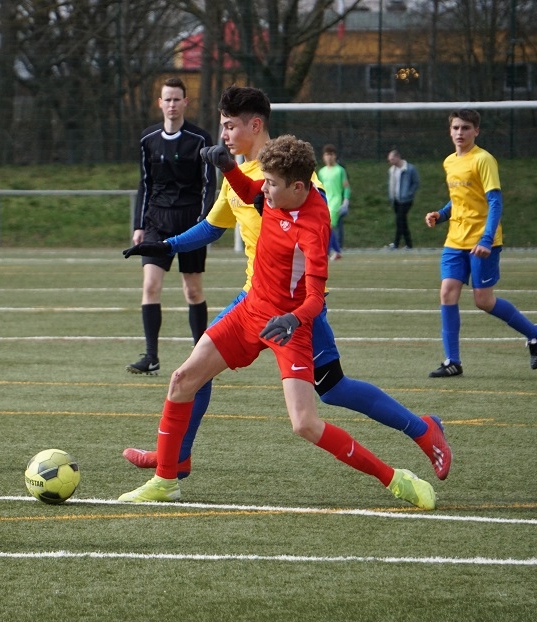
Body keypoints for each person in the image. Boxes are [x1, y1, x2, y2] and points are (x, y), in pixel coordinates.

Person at [122, 85, 450, 487]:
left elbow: (312, 218)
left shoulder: (291, 174)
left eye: (229, 126)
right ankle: (175, 458)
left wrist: (306, 300)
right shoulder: (242, 172)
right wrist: (166, 245)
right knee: (196, 371)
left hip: (295, 307)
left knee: (333, 388)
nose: (223, 134)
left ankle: (422, 429)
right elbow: (212, 227)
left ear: (255, 125)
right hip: (253, 297)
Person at [425, 109, 537, 377]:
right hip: (455, 239)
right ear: (449, 130)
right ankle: (452, 361)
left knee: (483, 301)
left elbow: (494, 201)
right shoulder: (449, 162)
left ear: (476, 130)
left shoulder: (484, 159)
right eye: (456, 128)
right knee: (447, 293)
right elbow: (461, 198)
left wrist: (487, 239)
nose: (460, 133)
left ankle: (533, 334)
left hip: (482, 241)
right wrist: (442, 214)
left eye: (466, 128)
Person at [127, 76, 216, 375]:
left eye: (177, 99)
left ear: (185, 102)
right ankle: (151, 357)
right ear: (160, 103)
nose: (172, 104)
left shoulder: (200, 139)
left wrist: (204, 221)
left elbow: (209, 184)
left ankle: (199, 358)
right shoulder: (147, 139)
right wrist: (139, 225)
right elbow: (145, 183)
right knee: (150, 285)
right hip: (157, 221)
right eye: (167, 99)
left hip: (190, 222)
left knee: (192, 291)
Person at [317, 144, 350, 261]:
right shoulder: (321, 172)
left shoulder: (340, 170)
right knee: (327, 227)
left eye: (331, 154)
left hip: (336, 202)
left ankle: (328, 252)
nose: (329, 157)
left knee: (329, 226)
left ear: (335, 156)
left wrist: (346, 200)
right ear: (323, 157)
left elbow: (346, 187)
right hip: (325, 202)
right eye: (327, 155)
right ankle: (336, 251)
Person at [387, 148, 419, 249]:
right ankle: (408, 244)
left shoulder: (409, 169)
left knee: (400, 220)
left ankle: (396, 243)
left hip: (406, 200)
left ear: (397, 157)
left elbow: (416, 183)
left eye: (392, 159)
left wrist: (409, 193)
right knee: (402, 221)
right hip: (396, 199)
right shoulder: (392, 170)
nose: (390, 162)